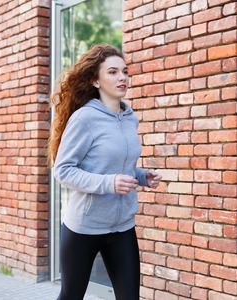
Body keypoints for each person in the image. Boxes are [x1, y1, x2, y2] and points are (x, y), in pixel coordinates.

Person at [48, 44, 162, 300]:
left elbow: (117, 164)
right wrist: (109, 183)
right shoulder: (85, 118)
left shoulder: (130, 118)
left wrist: (142, 176)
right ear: (95, 80)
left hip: (122, 227)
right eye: (112, 72)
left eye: (124, 71)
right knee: (71, 295)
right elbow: (63, 171)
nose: (122, 77)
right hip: (85, 227)